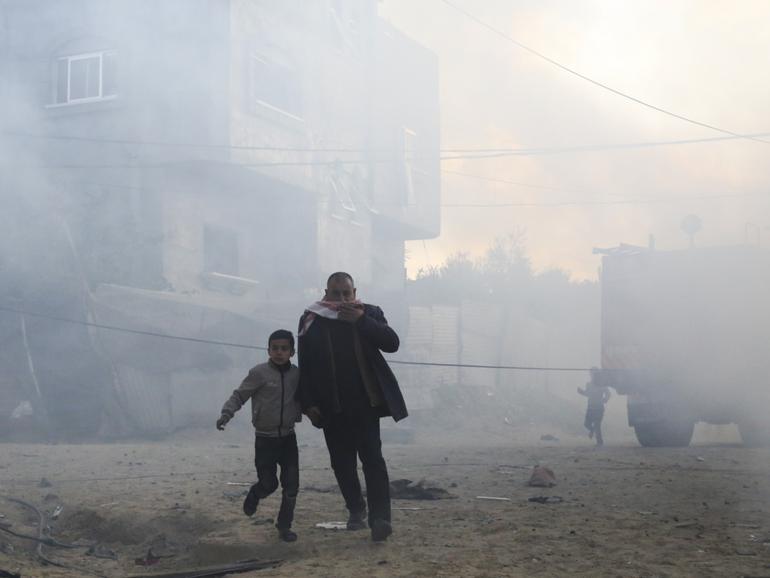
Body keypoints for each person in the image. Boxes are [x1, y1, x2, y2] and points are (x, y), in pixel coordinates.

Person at [297, 272, 407, 542]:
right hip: (331, 406)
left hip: (366, 404)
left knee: (373, 461)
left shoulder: (369, 313)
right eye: (336, 293)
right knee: (342, 464)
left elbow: (391, 343)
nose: (343, 299)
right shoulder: (313, 318)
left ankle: (380, 519)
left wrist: (361, 321)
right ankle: (356, 509)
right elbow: (306, 363)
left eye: (347, 293)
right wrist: (308, 403)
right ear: (326, 293)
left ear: (355, 291)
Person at [216, 329, 301, 542]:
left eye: (284, 349)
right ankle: (255, 493)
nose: (279, 353)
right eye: (275, 348)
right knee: (269, 483)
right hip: (265, 439)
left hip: (288, 438)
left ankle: (284, 527)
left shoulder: (297, 375)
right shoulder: (259, 373)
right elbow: (240, 395)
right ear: (268, 350)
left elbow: (307, 398)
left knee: (291, 485)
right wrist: (226, 414)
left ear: (292, 351)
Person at [578, 369, 611, 446]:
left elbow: (608, 393)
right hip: (590, 407)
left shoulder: (602, 384)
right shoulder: (589, 384)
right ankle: (592, 430)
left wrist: (605, 399)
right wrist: (581, 392)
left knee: (597, 425)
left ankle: (599, 442)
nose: (593, 375)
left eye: (594, 374)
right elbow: (587, 394)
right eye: (591, 374)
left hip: (599, 408)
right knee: (586, 424)